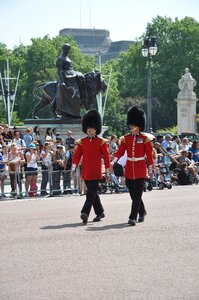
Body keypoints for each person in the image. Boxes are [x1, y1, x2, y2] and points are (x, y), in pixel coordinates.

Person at [112, 106, 154, 226]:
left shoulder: (145, 139)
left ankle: (132, 217)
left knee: (137, 195)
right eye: (130, 124)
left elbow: (150, 157)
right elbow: (119, 152)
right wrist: (113, 161)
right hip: (130, 168)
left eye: (133, 124)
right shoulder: (125, 139)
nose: (130, 126)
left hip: (140, 168)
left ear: (139, 124)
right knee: (133, 194)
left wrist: (151, 171)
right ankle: (142, 211)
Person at [71, 110, 110, 225]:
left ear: (96, 129)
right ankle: (100, 212)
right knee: (93, 194)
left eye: (92, 128)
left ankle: (85, 213)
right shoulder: (82, 142)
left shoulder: (101, 142)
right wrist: (73, 168)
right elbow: (76, 157)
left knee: (90, 193)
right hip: (86, 172)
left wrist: (107, 172)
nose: (90, 130)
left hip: (96, 172)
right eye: (88, 128)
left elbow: (107, 158)